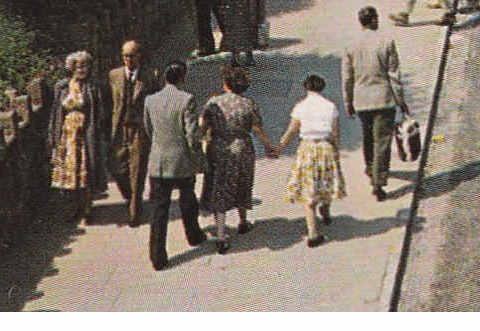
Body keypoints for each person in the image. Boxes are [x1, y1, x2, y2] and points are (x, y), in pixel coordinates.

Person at [200, 64, 276, 252]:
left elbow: (202, 126)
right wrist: (269, 146)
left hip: (218, 148)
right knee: (242, 181)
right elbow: (258, 129)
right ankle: (243, 220)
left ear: (225, 83)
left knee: (219, 186)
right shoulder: (249, 104)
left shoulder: (213, 103)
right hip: (242, 148)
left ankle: (220, 233)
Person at [144, 59, 207, 270]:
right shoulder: (186, 100)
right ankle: (194, 235)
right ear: (182, 78)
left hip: (159, 161)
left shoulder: (150, 100)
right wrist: (198, 149)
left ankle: (157, 256)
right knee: (188, 200)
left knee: (159, 211)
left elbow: (148, 129)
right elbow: (192, 134)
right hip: (181, 160)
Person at [344, 7, 411, 201]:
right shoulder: (386, 42)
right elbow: (394, 76)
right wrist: (401, 101)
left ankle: (370, 167)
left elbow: (347, 78)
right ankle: (378, 183)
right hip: (383, 99)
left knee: (367, 137)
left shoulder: (351, 45)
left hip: (362, 100)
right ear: (372, 20)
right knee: (382, 141)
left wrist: (348, 101)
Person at [277, 74, 347, 248]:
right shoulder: (330, 106)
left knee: (310, 188)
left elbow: (292, 130)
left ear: (306, 88)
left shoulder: (300, 107)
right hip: (325, 147)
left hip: (307, 148)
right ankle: (326, 207)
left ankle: (312, 234)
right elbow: (335, 132)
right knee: (326, 179)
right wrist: (336, 149)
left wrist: (278, 148)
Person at [107, 41, 161, 227]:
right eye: (125, 56)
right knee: (116, 167)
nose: (128, 60)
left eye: (131, 55)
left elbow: (157, 103)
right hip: (120, 129)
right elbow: (110, 105)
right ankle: (132, 199)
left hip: (139, 129)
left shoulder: (151, 75)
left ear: (140, 56)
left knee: (136, 171)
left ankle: (134, 213)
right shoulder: (114, 76)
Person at [50, 50, 107, 223]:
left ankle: (88, 208)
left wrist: (100, 132)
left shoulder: (93, 86)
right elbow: (56, 113)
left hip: (87, 134)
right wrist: (53, 136)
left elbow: (101, 112)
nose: (82, 69)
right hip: (67, 136)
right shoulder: (62, 87)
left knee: (87, 170)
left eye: (85, 65)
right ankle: (75, 207)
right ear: (71, 68)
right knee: (70, 174)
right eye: (78, 66)